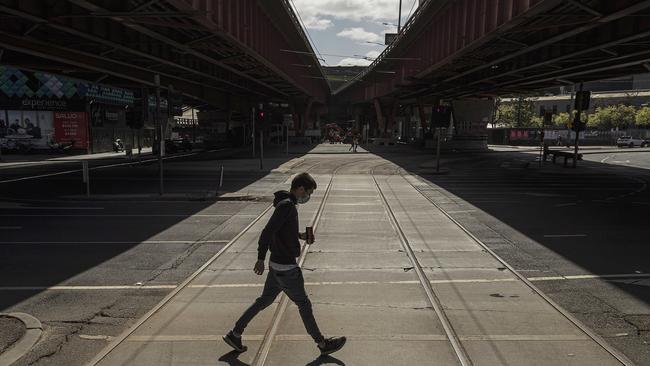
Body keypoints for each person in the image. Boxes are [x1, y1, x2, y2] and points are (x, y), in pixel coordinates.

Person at [224, 173, 346, 356]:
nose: (308, 197)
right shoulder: (287, 206)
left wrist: (299, 236)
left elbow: (281, 229)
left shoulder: (285, 204)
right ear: (301, 189)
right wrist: (260, 257)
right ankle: (322, 344)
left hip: (276, 266)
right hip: (286, 267)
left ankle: (235, 334)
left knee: (263, 301)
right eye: (308, 193)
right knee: (304, 305)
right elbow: (267, 231)